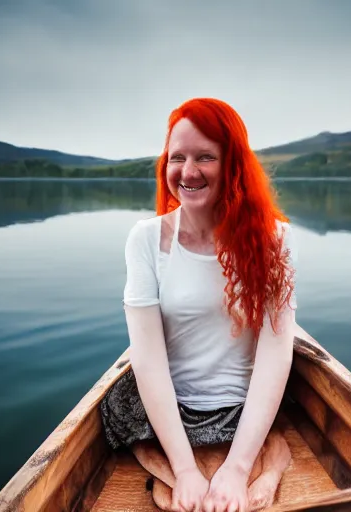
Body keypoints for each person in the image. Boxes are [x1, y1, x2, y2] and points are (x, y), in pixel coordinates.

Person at [100, 98, 297, 512]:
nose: (187, 172)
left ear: (232, 165)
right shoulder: (146, 239)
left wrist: (239, 469)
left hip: (243, 407)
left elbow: (276, 355)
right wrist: (187, 469)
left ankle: (270, 461)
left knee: (290, 388)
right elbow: (148, 359)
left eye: (205, 157)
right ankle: (178, 472)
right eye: (177, 157)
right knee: (117, 405)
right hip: (173, 407)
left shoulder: (274, 239)